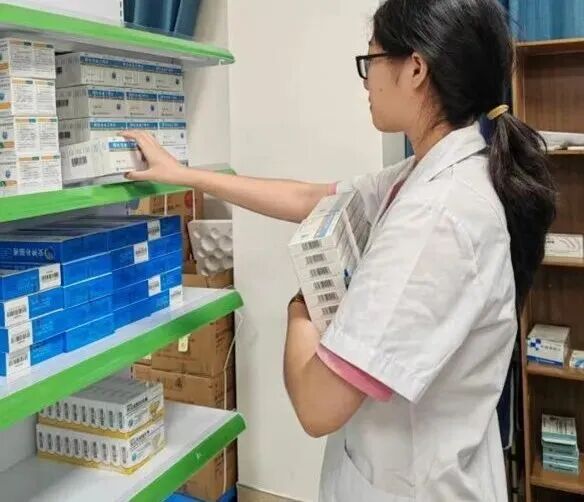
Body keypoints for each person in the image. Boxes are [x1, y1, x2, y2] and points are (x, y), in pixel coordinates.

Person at [124, 0, 556, 499]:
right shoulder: (427, 174)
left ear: (416, 69)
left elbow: (317, 404)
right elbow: (310, 198)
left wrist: (303, 304)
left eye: (370, 61)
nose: (366, 82)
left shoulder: (436, 218)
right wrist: (185, 175)